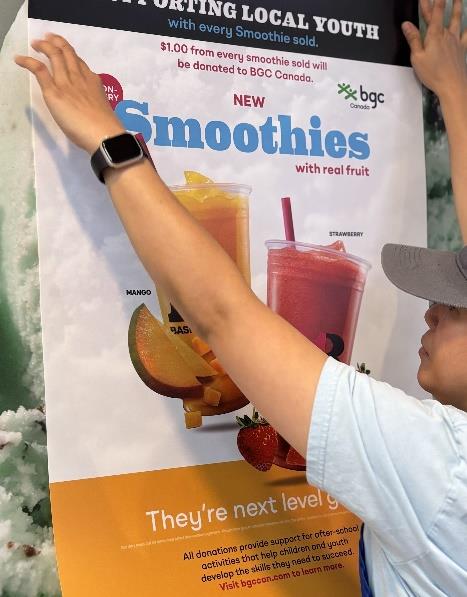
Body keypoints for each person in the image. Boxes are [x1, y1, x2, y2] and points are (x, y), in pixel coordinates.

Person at [15, 0, 467, 594]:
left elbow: (224, 313)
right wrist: (454, 93)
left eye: (458, 307)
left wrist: (111, 142)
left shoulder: (438, 469)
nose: (431, 309)